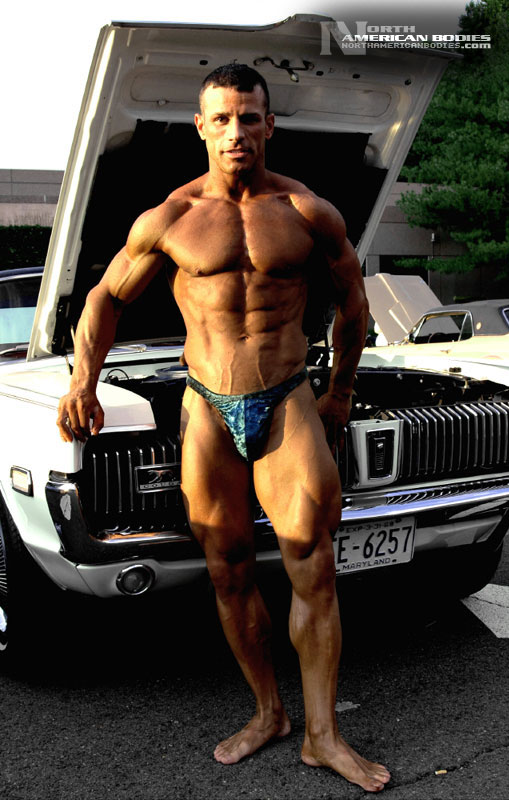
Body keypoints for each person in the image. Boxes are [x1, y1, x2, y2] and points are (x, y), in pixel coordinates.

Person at [57, 64, 390, 793]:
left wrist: (339, 391)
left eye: (249, 117)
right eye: (223, 118)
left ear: (270, 125)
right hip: (207, 403)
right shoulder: (170, 217)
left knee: (312, 562)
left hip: (287, 396)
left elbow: (354, 303)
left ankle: (323, 735)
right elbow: (105, 298)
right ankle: (269, 712)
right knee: (228, 568)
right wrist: (83, 380)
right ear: (201, 128)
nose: (237, 131)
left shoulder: (306, 210)